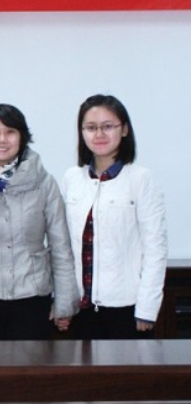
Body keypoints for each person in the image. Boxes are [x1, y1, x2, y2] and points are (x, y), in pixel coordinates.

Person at [0, 104, 78, 340]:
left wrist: (65, 302)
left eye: (10, 132)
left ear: (22, 137)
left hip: (32, 297)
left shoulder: (44, 183)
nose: (2, 139)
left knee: (32, 364)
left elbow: (61, 247)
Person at [60, 94, 167, 339]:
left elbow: (155, 249)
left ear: (124, 129)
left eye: (108, 126)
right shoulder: (72, 178)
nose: (99, 134)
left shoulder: (141, 179)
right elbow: (62, 247)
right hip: (80, 308)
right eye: (90, 127)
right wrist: (62, 301)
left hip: (127, 309)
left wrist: (147, 309)